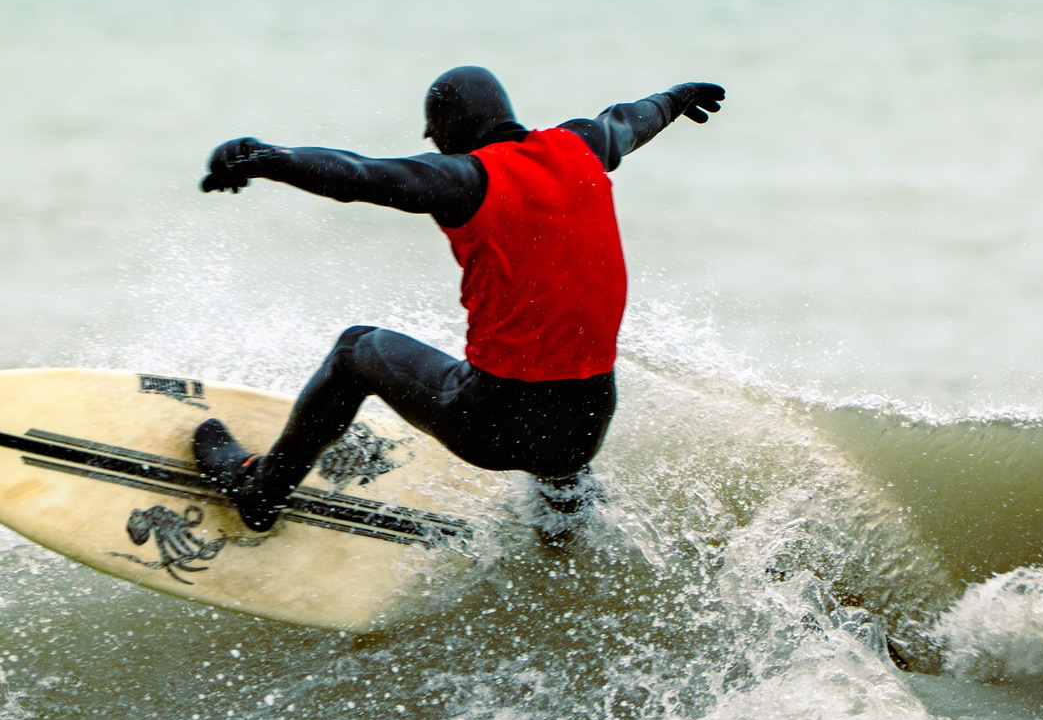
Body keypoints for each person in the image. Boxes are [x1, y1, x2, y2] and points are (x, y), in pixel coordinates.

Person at [191, 66, 726, 533]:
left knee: (355, 349)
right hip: (585, 429)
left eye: (433, 133)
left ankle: (260, 493)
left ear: (448, 129)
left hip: (493, 426)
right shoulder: (582, 146)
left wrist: (267, 159)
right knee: (559, 417)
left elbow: (358, 174)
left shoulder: (465, 178)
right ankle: (563, 532)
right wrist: (679, 97)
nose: (432, 144)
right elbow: (632, 118)